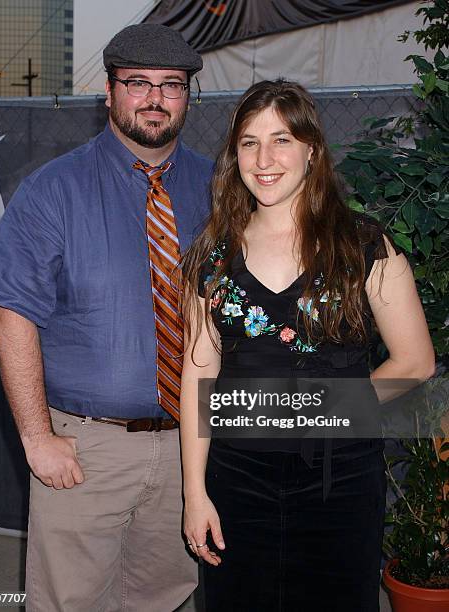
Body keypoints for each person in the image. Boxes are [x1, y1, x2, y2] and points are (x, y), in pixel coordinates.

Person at [0, 23, 213, 612]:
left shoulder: (219, 187)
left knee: (163, 596)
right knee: (69, 601)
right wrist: (38, 437)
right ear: (109, 93)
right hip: (86, 450)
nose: (154, 98)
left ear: (187, 98)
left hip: (191, 445)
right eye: (138, 83)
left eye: (171, 85)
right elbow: (11, 316)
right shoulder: (52, 190)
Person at [179, 80, 435, 611]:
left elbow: (416, 361)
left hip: (340, 478)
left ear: (311, 149)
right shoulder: (211, 255)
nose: (264, 158)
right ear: (235, 156)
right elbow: (198, 375)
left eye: (282, 139)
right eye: (249, 142)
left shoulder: (364, 245)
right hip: (237, 476)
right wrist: (195, 494)